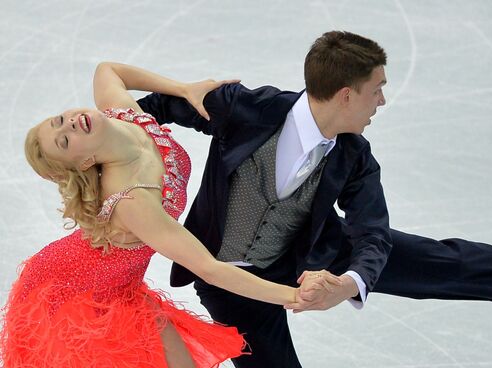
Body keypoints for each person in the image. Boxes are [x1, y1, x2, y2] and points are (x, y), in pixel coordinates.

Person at [136, 31, 492, 368]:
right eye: (377, 90)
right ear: (346, 94)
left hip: (321, 252)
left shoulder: (354, 155)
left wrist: (349, 283)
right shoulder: (247, 108)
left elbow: (370, 231)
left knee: (449, 263)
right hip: (230, 280)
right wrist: (118, 159)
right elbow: (148, 110)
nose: (382, 103)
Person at [0, 62, 326, 368]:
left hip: (119, 287)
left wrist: (185, 89)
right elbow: (209, 268)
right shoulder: (133, 202)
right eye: (64, 141)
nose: (69, 124)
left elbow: (107, 70)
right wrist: (295, 296)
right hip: (67, 295)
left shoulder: (126, 117)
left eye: (59, 120)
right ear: (85, 163)